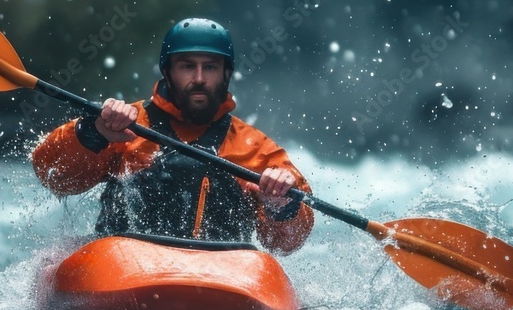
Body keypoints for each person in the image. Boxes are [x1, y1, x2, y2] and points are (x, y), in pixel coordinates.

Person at [31, 18, 313, 254]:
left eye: (211, 67)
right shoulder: (123, 124)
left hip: (220, 274)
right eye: (187, 66)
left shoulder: (256, 149)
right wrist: (93, 132)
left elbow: (286, 245)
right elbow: (53, 176)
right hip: (125, 263)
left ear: (226, 75)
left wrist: (282, 207)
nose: (200, 78)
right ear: (168, 72)